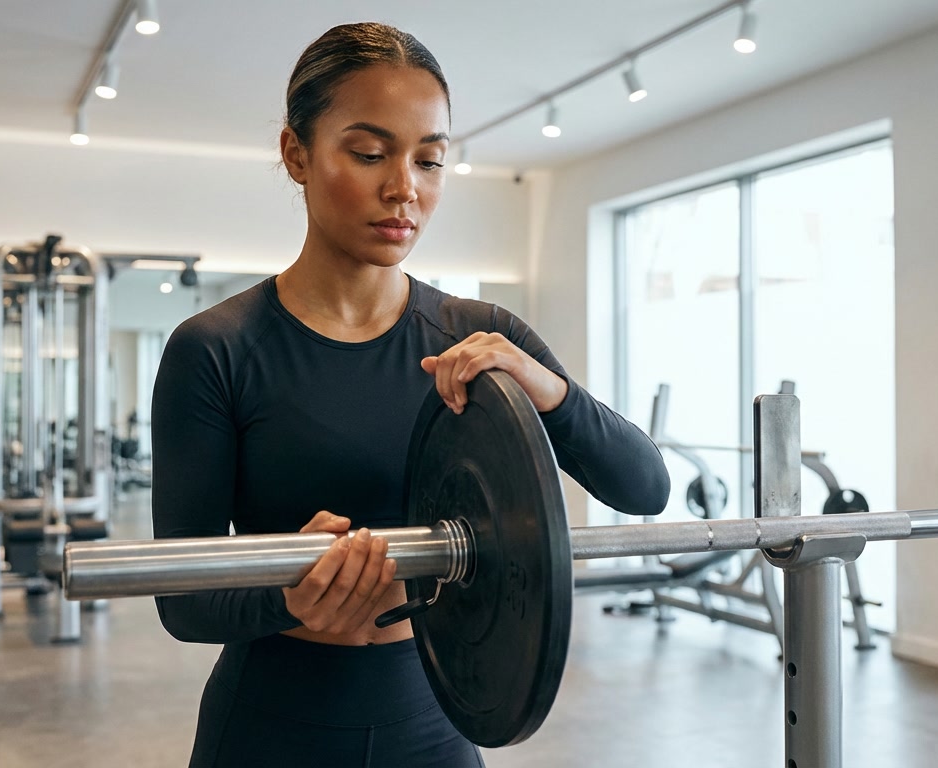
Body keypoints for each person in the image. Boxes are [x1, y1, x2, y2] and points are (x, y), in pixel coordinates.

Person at [151, 22, 671, 768]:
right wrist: (284, 595)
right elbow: (182, 601)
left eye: (430, 160)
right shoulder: (217, 349)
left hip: (435, 721)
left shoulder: (481, 337)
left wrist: (548, 389)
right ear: (296, 154)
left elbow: (645, 487)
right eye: (369, 153)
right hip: (271, 727)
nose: (405, 188)